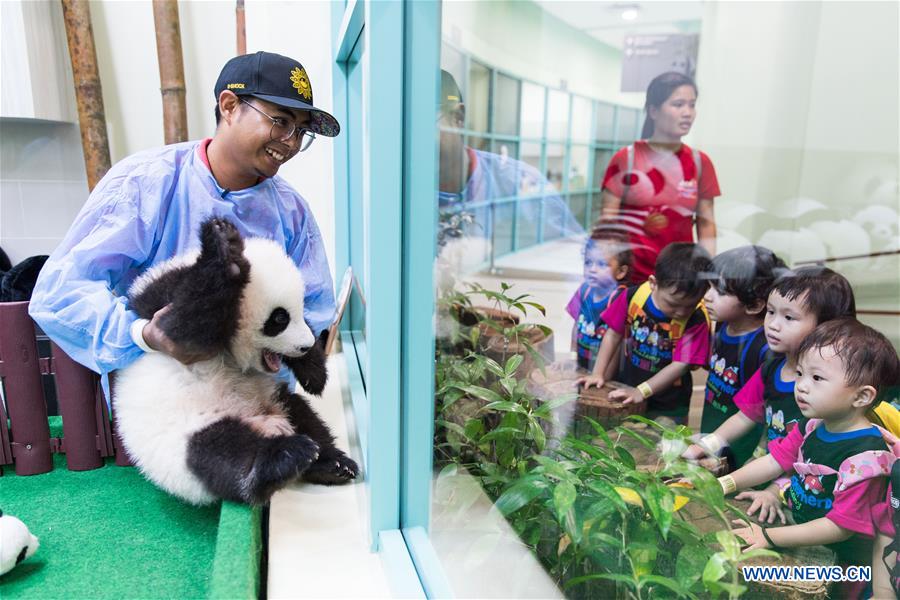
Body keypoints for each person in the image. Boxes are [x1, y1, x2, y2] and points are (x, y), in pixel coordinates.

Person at [29, 51, 338, 380]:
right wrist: (143, 334)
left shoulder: (293, 214)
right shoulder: (145, 184)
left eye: (302, 131)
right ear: (229, 106)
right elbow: (59, 294)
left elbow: (314, 312)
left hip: (254, 398)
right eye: (281, 122)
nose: (291, 143)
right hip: (157, 398)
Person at [723, 319, 900, 598]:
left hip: (848, 569)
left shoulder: (868, 459)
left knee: (746, 575)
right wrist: (723, 484)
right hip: (805, 535)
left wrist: (768, 536)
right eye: (801, 373)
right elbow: (774, 462)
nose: (801, 386)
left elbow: (839, 527)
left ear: (862, 396)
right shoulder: (814, 426)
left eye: (817, 378)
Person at [684, 266, 856, 521]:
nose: (773, 325)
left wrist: (775, 491)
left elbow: (811, 458)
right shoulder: (772, 364)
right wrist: (704, 446)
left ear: (825, 326)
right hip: (768, 468)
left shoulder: (824, 391)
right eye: (771, 312)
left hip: (806, 493)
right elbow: (745, 416)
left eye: (789, 318)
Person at [437, 70, 583, 252]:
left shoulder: (520, 185)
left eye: (425, 120)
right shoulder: (396, 193)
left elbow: (575, 258)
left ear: (458, 118)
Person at [598, 72, 720, 284]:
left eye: (692, 105)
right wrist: (604, 271)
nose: (687, 113)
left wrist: (707, 275)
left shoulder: (701, 163)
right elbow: (608, 223)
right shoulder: (625, 159)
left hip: (679, 282)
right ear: (653, 110)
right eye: (678, 104)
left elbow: (706, 225)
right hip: (630, 279)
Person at [578, 242, 712, 423]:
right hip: (628, 386)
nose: (681, 312)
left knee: (666, 442)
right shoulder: (632, 296)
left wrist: (642, 391)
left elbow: (681, 364)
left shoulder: (695, 319)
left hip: (669, 402)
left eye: (689, 305)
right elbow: (613, 334)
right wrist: (598, 373)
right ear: (653, 283)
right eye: (673, 304)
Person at [699, 246, 787, 468]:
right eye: (709, 286)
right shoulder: (722, 325)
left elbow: (763, 415)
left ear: (755, 304)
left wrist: (754, 458)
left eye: (718, 291)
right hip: (712, 433)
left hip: (740, 453)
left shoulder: (764, 349)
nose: (707, 297)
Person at [566, 229, 631, 372]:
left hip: (605, 372)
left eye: (602, 264)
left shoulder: (619, 298)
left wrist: (603, 378)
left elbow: (616, 343)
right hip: (583, 364)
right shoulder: (584, 290)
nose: (592, 269)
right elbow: (577, 325)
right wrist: (572, 358)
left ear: (621, 272)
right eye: (588, 263)